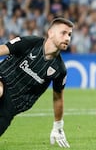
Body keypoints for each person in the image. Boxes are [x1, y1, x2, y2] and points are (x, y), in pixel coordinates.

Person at [0, 17, 73, 147]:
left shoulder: (59, 70)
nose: (67, 38)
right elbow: (2, 50)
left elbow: (58, 98)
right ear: (50, 33)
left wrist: (58, 125)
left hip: (16, 102)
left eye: (69, 35)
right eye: (63, 33)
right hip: (3, 78)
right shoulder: (30, 42)